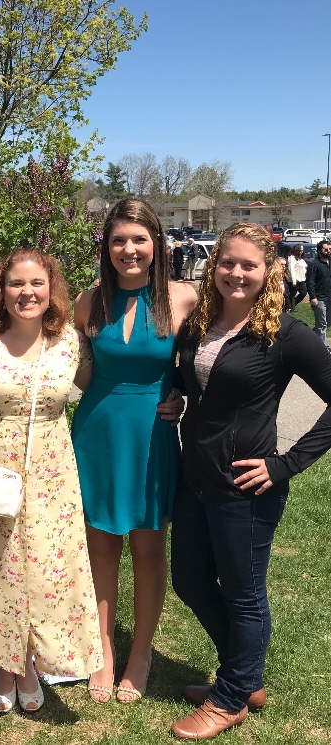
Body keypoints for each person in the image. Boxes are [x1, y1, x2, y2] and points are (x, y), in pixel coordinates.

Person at [170, 223, 331, 739]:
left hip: (247, 489)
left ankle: (232, 696)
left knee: (243, 594)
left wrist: (284, 464)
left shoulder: (286, 335)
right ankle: (246, 675)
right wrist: (175, 395)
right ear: (214, 265)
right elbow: (195, 378)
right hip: (195, 476)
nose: (236, 273)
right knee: (190, 582)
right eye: (227, 262)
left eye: (248, 265)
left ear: (269, 272)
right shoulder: (201, 323)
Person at [0, 249, 103, 714]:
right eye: (16, 283)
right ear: (1, 290)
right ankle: (7, 664)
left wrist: (173, 394)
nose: (27, 292)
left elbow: (105, 385)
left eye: (37, 283)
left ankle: (35, 661)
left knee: (48, 566)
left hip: (52, 469)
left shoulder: (69, 342)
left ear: (51, 289)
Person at [72, 200, 196, 704]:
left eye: (139, 239)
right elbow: (78, 372)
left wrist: (182, 395)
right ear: (106, 245)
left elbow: (201, 363)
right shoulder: (87, 302)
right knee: (100, 547)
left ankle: (140, 653)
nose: (129, 249)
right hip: (97, 433)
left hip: (152, 435)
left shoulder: (182, 298)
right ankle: (102, 649)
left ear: (156, 244)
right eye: (119, 240)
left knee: (147, 550)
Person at [306, 240, 331, 348]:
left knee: (327, 322)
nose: (328, 251)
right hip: (319, 298)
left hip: (329, 297)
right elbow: (310, 281)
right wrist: (313, 297)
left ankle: (310, 336)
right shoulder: (314, 264)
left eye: (330, 249)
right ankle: (324, 348)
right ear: (319, 250)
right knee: (321, 324)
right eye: (326, 249)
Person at [287, 244, 308, 311]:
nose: (301, 252)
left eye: (302, 250)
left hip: (301, 280)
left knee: (303, 293)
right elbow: (291, 269)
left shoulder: (300, 259)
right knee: (292, 294)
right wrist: (293, 280)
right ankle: (292, 309)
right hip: (294, 280)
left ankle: (290, 306)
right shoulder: (291, 258)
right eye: (300, 250)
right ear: (296, 250)